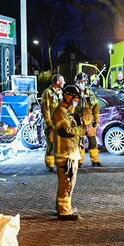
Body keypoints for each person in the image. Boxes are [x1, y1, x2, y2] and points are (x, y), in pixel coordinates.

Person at [52, 84, 84, 220]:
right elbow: (65, 132)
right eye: (75, 98)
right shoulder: (60, 112)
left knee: (66, 183)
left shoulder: (67, 111)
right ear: (68, 96)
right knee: (67, 183)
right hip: (65, 154)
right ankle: (65, 212)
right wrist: (82, 130)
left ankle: (62, 207)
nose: (77, 101)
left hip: (70, 152)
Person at [74, 72, 102, 167]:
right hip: (78, 123)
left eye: (84, 81)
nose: (82, 83)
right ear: (77, 82)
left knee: (93, 142)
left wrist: (97, 121)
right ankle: (79, 162)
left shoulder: (90, 94)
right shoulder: (73, 94)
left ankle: (95, 160)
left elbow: (96, 109)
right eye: (80, 81)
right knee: (80, 143)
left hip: (89, 122)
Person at [40, 74, 65, 172]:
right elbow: (45, 110)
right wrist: (49, 125)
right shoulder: (47, 93)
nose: (64, 82)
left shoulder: (60, 92)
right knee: (51, 145)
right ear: (58, 82)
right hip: (51, 125)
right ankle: (50, 165)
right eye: (63, 81)